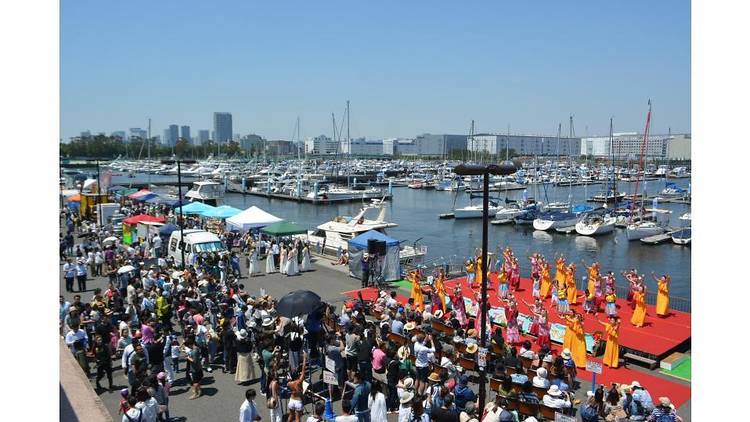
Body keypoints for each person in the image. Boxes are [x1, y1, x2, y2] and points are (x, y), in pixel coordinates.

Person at [287, 352, 307, 422]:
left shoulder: (289, 383)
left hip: (291, 400)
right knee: (298, 418)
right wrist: (304, 358)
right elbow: (303, 369)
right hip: (298, 401)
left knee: (291, 415)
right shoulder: (299, 381)